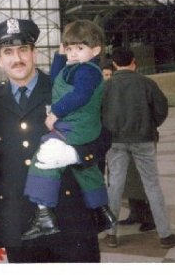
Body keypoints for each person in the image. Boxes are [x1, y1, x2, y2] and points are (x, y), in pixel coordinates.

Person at [0, 17, 101, 263]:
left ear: (33, 53)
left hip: (71, 220)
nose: (17, 58)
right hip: (19, 226)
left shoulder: (66, 84)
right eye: (8, 52)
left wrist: (77, 155)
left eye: (23, 49)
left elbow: (107, 135)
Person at [21, 19, 117, 241]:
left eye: (80, 48)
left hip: (75, 127)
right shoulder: (75, 68)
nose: (73, 54)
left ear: (96, 50)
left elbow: (79, 95)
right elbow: (57, 79)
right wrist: (60, 54)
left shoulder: (87, 71)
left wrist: (55, 112)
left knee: (43, 158)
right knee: (84, 168)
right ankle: (102, 210)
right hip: (82, 128)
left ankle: (43, 214)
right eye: (70, 48)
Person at [102, 47, 175, 249]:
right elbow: (162, 108)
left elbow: (98, 113)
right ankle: (165, 235)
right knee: (152, 185)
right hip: (143, 140)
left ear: (114, 64)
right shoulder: (147, 83)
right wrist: (149, 125)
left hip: (115, 141)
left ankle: (111, 234)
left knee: (115, 186)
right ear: (134, 62)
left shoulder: (106, 87)